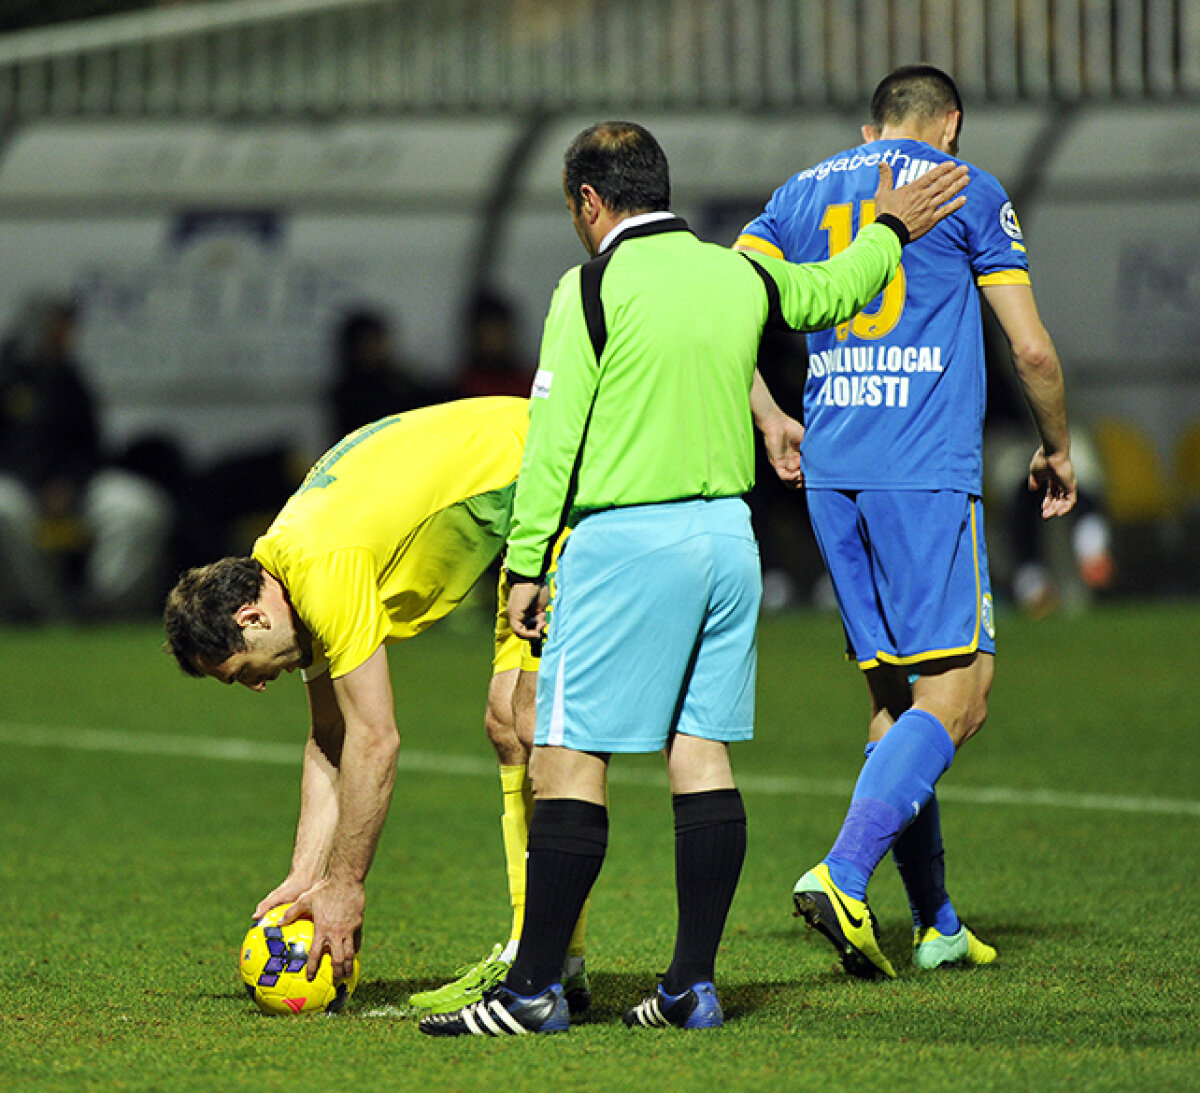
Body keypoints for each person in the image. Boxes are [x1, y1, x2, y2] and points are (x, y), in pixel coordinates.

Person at [419, 120, 967, 1037]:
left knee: (565, 758)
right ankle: (688, 987)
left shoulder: (588, 288)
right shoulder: (736, 272)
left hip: (625, 543)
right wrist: (888, 228)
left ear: (589, 202)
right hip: (726, 542)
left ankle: (533, 991)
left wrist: (525, 564)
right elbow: (835, 290)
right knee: (700, 754)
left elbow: (552, 442)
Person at [734, 64, 1077, 979]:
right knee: (961, 695)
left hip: (831, 468)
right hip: (920, 469)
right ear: (950, 123)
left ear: (870, 126)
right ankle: (843, 873)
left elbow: (723, 307)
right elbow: (1031, 350)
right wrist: (1056, 446)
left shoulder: (800, 192)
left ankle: (937, 922)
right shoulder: (966, 187)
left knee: (897, 701)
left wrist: (769, 415)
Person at [161, 396, 591, 1012]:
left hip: (559, 474)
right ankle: (551, 961)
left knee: (530, 720)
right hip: (529, 496)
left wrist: (346, 887)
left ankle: (541, 962)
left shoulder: (321, 567)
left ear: (251, 618)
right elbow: (330, 737)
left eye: (241, 674)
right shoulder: (287, 566)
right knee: (509, 724)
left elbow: (375, 739)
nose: (257, 687)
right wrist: (306, 876)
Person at [0, 295, 174, 622]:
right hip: (18, 486)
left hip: (75, 487)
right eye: (58, 328)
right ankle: (38, 608)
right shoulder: (6, 376)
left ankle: (101, 605)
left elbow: (91, 449)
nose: (66, 337)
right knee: (3, 507)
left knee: (140, 508)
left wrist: (69, 484)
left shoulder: (71, 379)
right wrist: (38, 486)